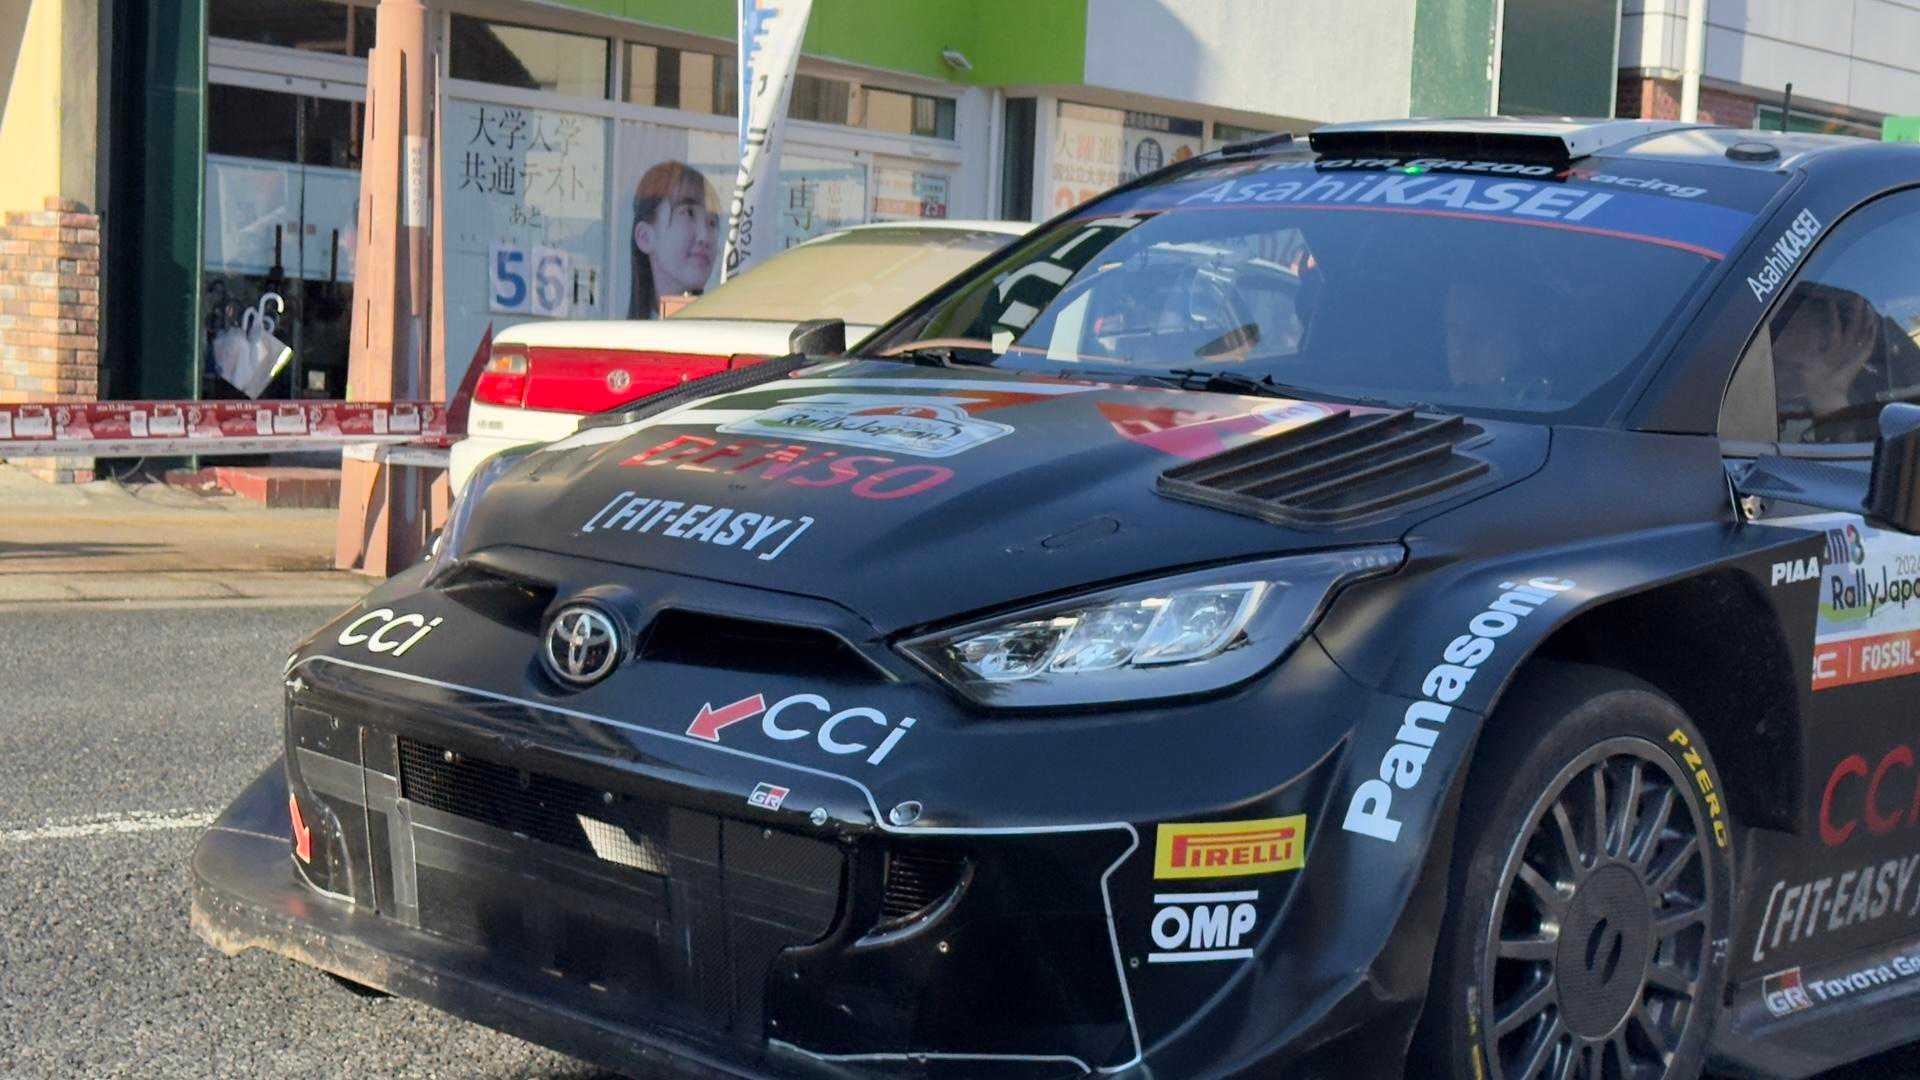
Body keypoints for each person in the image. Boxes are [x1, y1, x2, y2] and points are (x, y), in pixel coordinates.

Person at [628, 161, 720, 319]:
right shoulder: (610, 329)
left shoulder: (726, 329)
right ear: (645, 237)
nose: (705, 236)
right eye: (689, 213)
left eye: (712, 222)